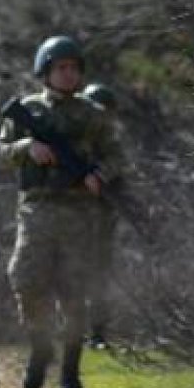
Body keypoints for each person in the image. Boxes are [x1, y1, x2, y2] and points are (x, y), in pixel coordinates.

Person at [0, 36, 122, 388]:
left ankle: (70, 370)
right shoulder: (28, 110)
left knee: (74, 292)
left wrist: (100, 176)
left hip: (80, 212)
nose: (68, 74)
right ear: (46, 72)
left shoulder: (93, 115)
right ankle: (40, 345)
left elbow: (116, 156)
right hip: (37, 208)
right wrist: (26, 148)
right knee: (26, 280)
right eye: (60, 68)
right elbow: (0, 153)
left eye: (73, 68)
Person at [80, 82, 119, 350]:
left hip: (101, 219)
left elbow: (120, 175)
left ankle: (97, 333)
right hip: (71, 217)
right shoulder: (76, 141)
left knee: (99, 277)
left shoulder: (111, 147)